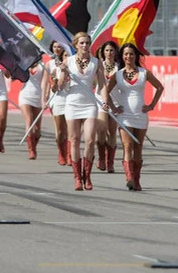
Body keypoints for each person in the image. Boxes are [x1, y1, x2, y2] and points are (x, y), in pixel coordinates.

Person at [105, 43, 164, 191]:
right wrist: (112, 107)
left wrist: (151, 105)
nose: (128, 57)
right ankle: (129, 177)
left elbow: (159, 87)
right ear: (122, 57)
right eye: (126, 54)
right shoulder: (118, 74)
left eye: (131, 54)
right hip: (124, 115)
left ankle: (137, 180)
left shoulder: (144, 73)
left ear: (136, 56)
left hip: (141, 115)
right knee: (127, 146)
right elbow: (106, 91)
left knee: (138, 147)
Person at [59, 32, 109, 191]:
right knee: (74, 139)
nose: (85, 46)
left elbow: (102, 85)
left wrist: (106, 101)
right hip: (72, 103)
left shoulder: (96, 62)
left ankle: (87, 176)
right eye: (82, 43)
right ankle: (77, 178)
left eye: (87, 43)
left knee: (89, 140)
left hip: (89, 104)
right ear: (75, 45)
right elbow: (60, 86)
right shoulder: (68, 61)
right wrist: (63, 71)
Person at [95, 41, 121, 173]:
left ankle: (110, 162)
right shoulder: (98, 66)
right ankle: (101, 158)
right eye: (107, 50)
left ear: (115, 52)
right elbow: (94, 83)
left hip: (115, 103)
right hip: (101, 101)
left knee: (112, 133)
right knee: (101, 130)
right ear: (102, 52)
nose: (109, 53)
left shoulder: (119, 67)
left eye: (111, 50)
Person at [43, 41, 69, 165]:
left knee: (70, 129)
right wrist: (45, 97)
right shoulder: (52, 65)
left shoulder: (74, 66)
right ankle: (61, 152)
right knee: (60, 131)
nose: (57, 49)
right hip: (57, 99)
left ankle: (69, 154)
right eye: (55, 46)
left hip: (71, 100)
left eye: (60, 47)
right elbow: (47, 84)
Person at [18, 61, 48, 159]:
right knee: (29, 122)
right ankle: (31, 150)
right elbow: (16, 77)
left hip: (38, 97)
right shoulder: (23, 63)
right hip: (25, 95)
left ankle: (33, 145)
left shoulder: (42, 65)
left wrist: (44, 98)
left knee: (37, 129)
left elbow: (45, 82)